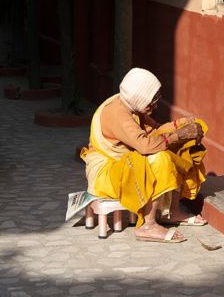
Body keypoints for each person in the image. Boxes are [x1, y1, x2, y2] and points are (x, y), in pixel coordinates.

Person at [81, 67, 208, 243]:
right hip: (106, 174)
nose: (155, 104)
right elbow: (145, 145)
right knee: (159, 157)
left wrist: (184, 127)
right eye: (152, 100)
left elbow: (156, 132)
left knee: (178, 143)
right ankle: (147, 225)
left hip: (126, 164)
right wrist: (179, 135)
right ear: (140, 97)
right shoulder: (118, 113)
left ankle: (173, 212)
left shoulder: (131, 106)